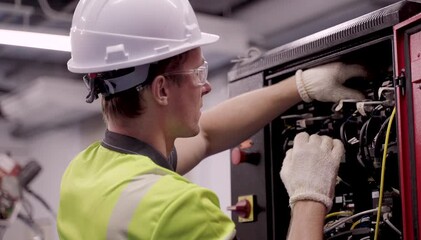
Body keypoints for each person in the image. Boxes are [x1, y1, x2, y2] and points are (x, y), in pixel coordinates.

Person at [57, 0, 367, 239]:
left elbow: (205, 136)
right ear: (162, 89)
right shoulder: (178, 207)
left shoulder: (83, 172)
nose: (206, 86)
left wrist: (301, 86)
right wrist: (309, 199)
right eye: (197, 72)